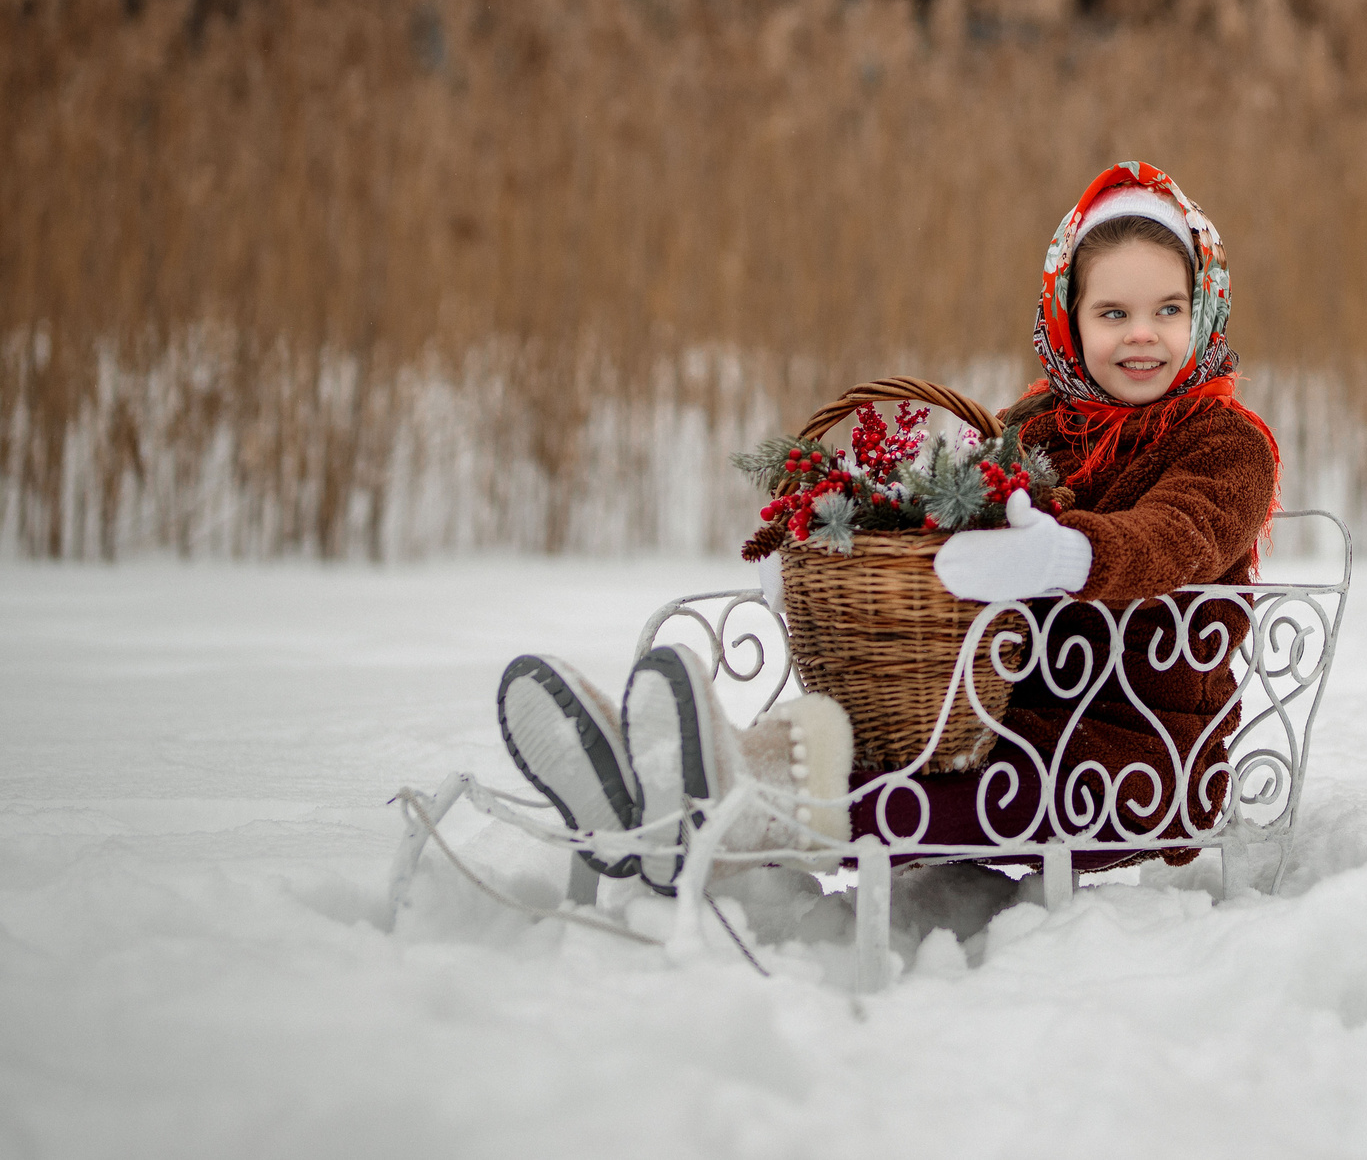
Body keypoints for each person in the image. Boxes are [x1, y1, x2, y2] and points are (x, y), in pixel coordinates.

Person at [493, 161, 1280, 893]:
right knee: (879, 740)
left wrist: (1071, 552)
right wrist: (830, 548)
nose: (1142, 334)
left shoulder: (1226, 443)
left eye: (1168, 310)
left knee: (945, 790)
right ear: (1069, 318)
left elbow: (1180, 534)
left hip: (1133, 755)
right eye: (1114, 312)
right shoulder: (1034, 425)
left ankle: (712, 809)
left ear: (1203, 308)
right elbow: (938, 511)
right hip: (993, 713)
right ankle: (653, 780)